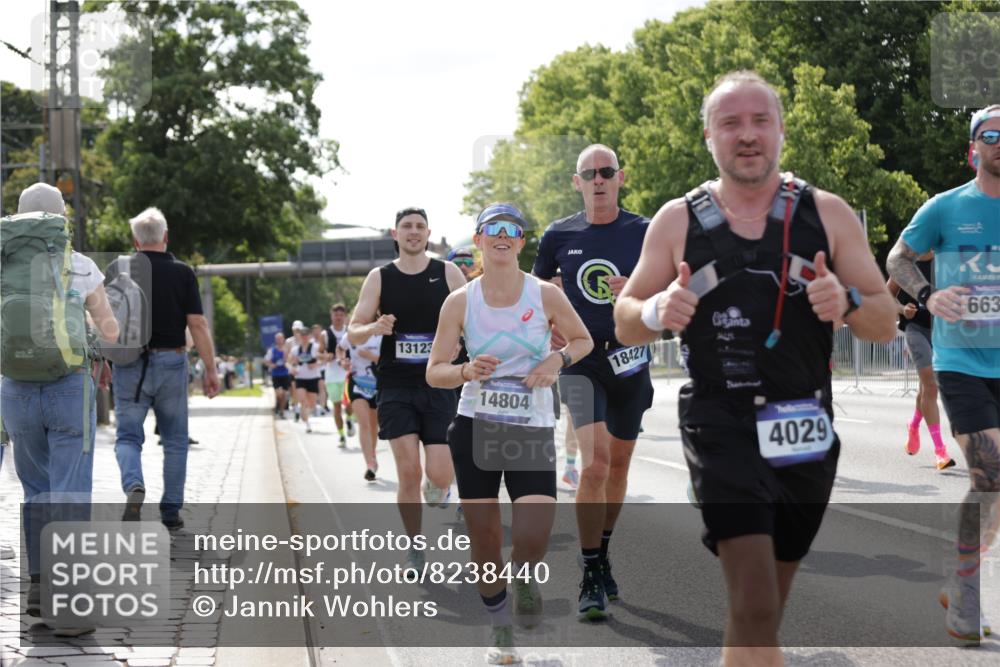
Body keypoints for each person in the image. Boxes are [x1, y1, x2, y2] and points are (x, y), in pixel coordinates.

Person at [613, 71, 896, 664]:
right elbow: (625, 317)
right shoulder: (677, 220)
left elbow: (886, 320)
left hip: (805, 425)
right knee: (756, 597)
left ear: (781, 131)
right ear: (709, 138)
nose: (747, 135)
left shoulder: (829, 214)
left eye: (759, 121)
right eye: (731, 123)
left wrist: (845, 302)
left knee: (763, 608)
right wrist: (658, 307)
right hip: (721, 421)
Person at [427, 203, 593, 664]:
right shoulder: (460, 302)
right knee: (484, 540)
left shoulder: (544, 295)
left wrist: (555, 361)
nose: (502, 235)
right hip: (476, 425)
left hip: (532, 427)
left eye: (512, 229)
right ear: (479, 240)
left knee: (533, 536)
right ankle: (501, 629)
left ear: (521, 242)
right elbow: (434, 371)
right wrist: (464, 370)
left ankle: (525, 577)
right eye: (492, 228)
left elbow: (583, 341)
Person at [886, 104, 1000, 643]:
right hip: (961, 361)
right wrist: (930, 295)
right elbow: (898, 259)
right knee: (990, 474)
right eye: (991, 135)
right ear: (972, 149)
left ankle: (959, 579)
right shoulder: (946, 207)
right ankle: (969, 598)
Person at [531, 143, 653, 618]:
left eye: (607, 171)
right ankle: (587, 571)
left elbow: (669, 289)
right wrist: (546, 337)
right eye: (590, 173)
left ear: (621, 178)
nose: (599, 179)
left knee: (619, 467)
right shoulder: (558, 235)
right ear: (576, 182)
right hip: (580, 361)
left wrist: (642, 291)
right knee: (595, 465)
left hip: (631, 359)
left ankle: (602, 554)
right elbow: (536, 296)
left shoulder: (644, 231)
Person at [1, 183, 119, 631]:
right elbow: (108, 329)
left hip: (14, 388)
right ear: (60, 219)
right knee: (70, 490)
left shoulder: (2, 264)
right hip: (69, 388)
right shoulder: (80, 265)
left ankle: (38, 585)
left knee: (35, 490)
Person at [348, 206, 465, 575]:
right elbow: (353, 329)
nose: (413, 232)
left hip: (439, 383)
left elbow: (474, 315)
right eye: (406, 227)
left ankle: (442, 490)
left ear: (428, 233)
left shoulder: (448, 272)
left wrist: (465, 344)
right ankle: (415, 548)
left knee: (439, 476)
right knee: (409, 472)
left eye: (419, 227)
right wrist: (374, 328)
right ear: (394, 234)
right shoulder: (379, 277)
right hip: (396, 384)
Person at [111, 206, 221, 531]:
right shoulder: (183, 273)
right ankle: (171, 510)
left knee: (128, 437)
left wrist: (103, 362)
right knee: (175, 440)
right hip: (172, 361)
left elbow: (105, 322)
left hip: (129, 364)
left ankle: (133, 485)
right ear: (166, 237)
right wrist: (211, 370)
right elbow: (198, 324)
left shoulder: (118, 270)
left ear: (135, 241)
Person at [886, 252, 957, 470]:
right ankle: (940, 452)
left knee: (926, 388)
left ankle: (914, 424)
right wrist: (901, 309)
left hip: (941, 331)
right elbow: (885, 295)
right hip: (915, 329)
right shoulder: (906, 265)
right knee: (930, 385)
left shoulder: (946, 262)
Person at [338, 328, 381, 480]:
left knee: (373, 425)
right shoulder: (351, 335)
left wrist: (371, 356)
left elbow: (388, 360)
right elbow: (340, 348)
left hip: (376, 385)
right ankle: (369, 464)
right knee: (364, 424)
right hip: (356, 383)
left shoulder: (380, 335)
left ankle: (373, 454)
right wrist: (343, 360)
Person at [321, 303, 355, 446]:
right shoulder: (325, 334)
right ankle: (341, 435)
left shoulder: (351, 332)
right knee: (336, 406)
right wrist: (325, 356)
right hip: (332, 375)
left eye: (341, 315)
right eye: (336, 315)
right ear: (332, 316)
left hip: (348, 374)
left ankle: (350, 419)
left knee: (349, 403)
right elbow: (319, 352)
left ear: (345, 316)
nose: (338, 318)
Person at [289, 321, 321, 434]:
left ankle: (306, 413)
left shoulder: (315, 347)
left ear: (309, 336)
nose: (304, 337)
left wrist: (315, 364)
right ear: (299, 336)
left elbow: (322, 360)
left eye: (306, 335)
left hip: (312, 378)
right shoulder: (295, 350)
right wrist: (292, 368)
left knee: (311, 403)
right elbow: (290, 362)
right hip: (300, 377)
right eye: (302, 335)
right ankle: (307, 424)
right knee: (302, 399)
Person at [265, 332, 292, 417]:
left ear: (283, 339)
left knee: (284, 394)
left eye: (281, 339)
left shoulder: (287, 350)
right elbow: (266, 361)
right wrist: (272, 365)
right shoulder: (272, 350)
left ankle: (282, 411)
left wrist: (287, 359)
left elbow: (291, 360)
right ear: (276, 340)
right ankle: (278, 406)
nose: (279, 340)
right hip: (276, 374)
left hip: (285, 374)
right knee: (278, 394)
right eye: (278, 339)